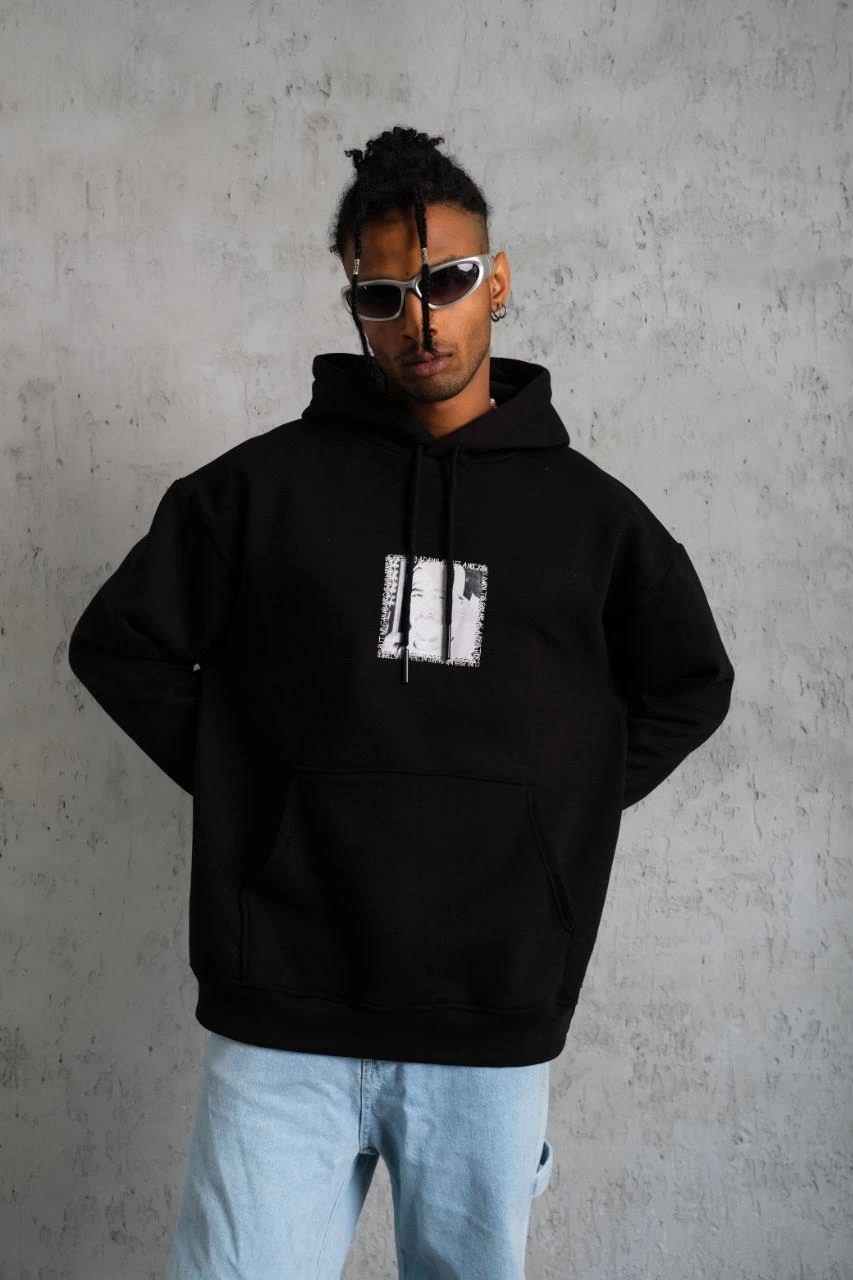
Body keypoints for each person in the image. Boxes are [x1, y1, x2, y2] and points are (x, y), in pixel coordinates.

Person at [67, 125, 736, 1279]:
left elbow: (693, 682)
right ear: (354, 308)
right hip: (282, 1016)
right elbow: (117, 644)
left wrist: (551, 806)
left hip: (490, 1012)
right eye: (382, 297)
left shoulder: (593, 522)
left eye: (447, 280)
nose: (420, 320)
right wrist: (256, 785)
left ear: (498, 281)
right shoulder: (257, 493)